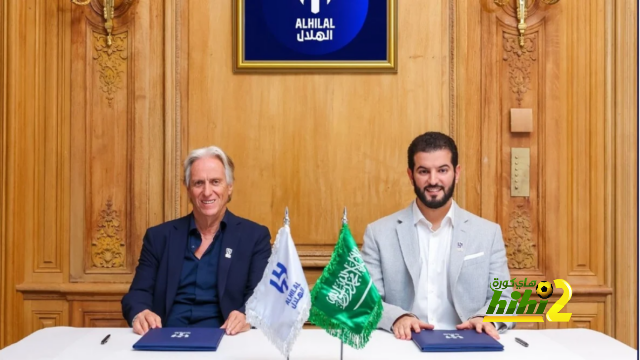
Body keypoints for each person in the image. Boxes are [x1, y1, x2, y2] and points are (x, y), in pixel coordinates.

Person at [361, 132, 514, 341]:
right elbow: (367, 302)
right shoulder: (378, 233)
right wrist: (398, 318)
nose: (433, 181)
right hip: (404, 345)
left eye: (442, 170)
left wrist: (485, 318)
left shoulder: (488, 233)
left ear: (456, 173)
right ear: (410, 174)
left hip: (468, 346)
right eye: (424, 171)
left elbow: (505, 298)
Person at [122, 146, 271, 336]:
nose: (207, 192)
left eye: (215, 182)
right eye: (199, 183)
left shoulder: (254, 237)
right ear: (188, 190)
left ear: (229, 186)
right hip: (165, 339)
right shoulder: (159, 237)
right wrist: (140, 314)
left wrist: (246, 316)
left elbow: (261, 297)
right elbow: (137, 294)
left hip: (226, 340)